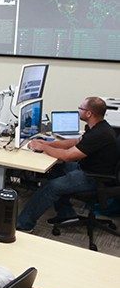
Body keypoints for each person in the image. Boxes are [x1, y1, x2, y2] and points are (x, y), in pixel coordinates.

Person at [17, 97, 117, 232]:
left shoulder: (100, 134)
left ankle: (23, 225)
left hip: (94, 177)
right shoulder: (97, 127)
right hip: (86, 168)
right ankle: (66, 214)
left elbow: (67, 156)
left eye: (81, 108)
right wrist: (47, 143)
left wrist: (43, 148)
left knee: (52, 187)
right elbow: (75, 142)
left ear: (89, 114)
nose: (78, 110)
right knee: (55, 168)